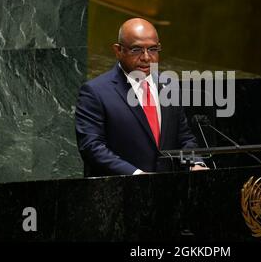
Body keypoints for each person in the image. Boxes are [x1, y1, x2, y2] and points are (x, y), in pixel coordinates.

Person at [75, 18, 208, 176]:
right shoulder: (95, 92)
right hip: (120, 191)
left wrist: (195, 163)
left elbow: (184, 137)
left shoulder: (169, 85)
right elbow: (92, 147)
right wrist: (137, 175)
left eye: (152, 49)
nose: (146, 57)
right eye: (136, 50)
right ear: (118, 51)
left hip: (169, 190)